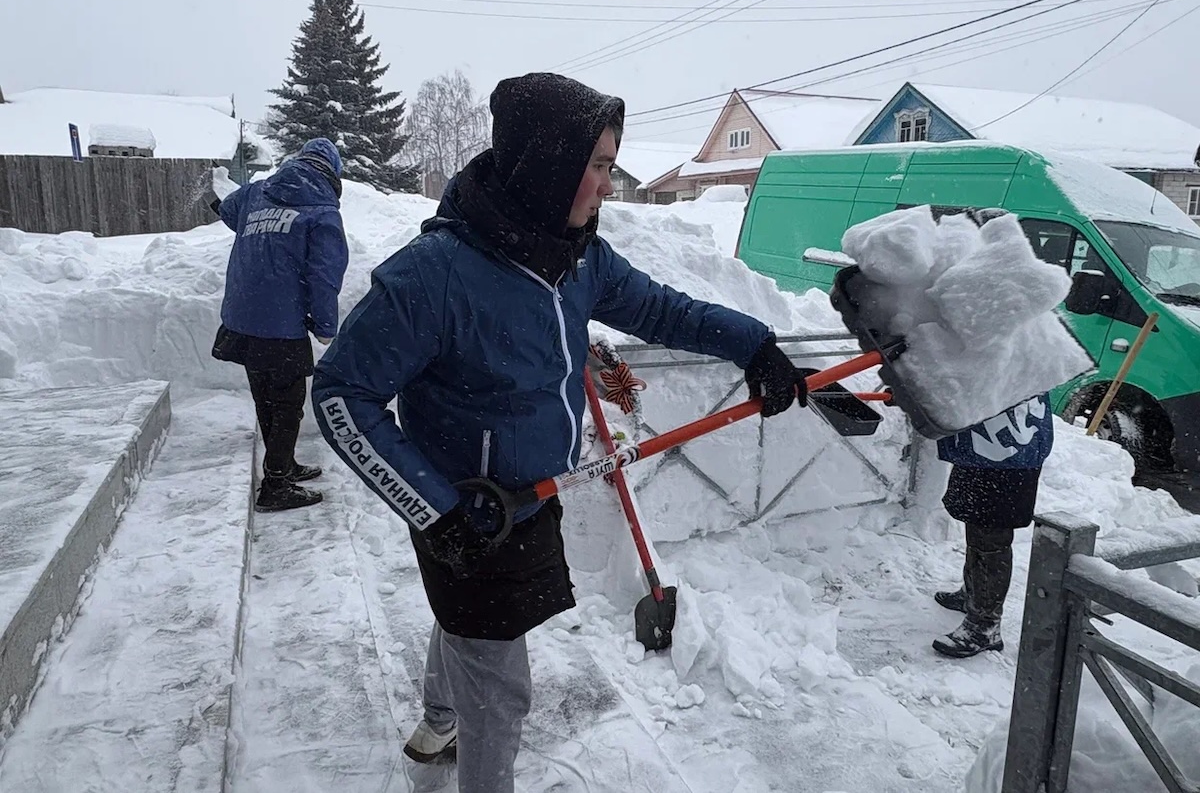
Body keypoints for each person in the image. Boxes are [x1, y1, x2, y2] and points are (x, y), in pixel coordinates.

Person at [311, 72, 807, 793]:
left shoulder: (576, 258)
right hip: (468, 510)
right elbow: (339, 397)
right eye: (599, 166)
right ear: (548, 167)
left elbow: (664, 312)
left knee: (470, 631)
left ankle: (437, 718)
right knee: (502, 690)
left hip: (531, 500)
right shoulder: (434, 276)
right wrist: (434, 509)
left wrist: (754, 343)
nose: (609, 185)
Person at [210, 137, 349, 513]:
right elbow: (324, 276)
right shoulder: (322, 212)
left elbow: (226, 209)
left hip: (242, 318)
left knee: (265, 397)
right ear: (333, 174)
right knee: (288, 404)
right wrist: (324, 324)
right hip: (281, 324)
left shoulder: (257, 192)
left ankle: (282, 465)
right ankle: (275, 485)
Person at [932, 392, 1054, 658]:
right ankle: (973, 594)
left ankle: (985, 625)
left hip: (1008, 447)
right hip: (986, 440)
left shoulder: (1017, 355)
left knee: (991, 535)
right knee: (976, 522)